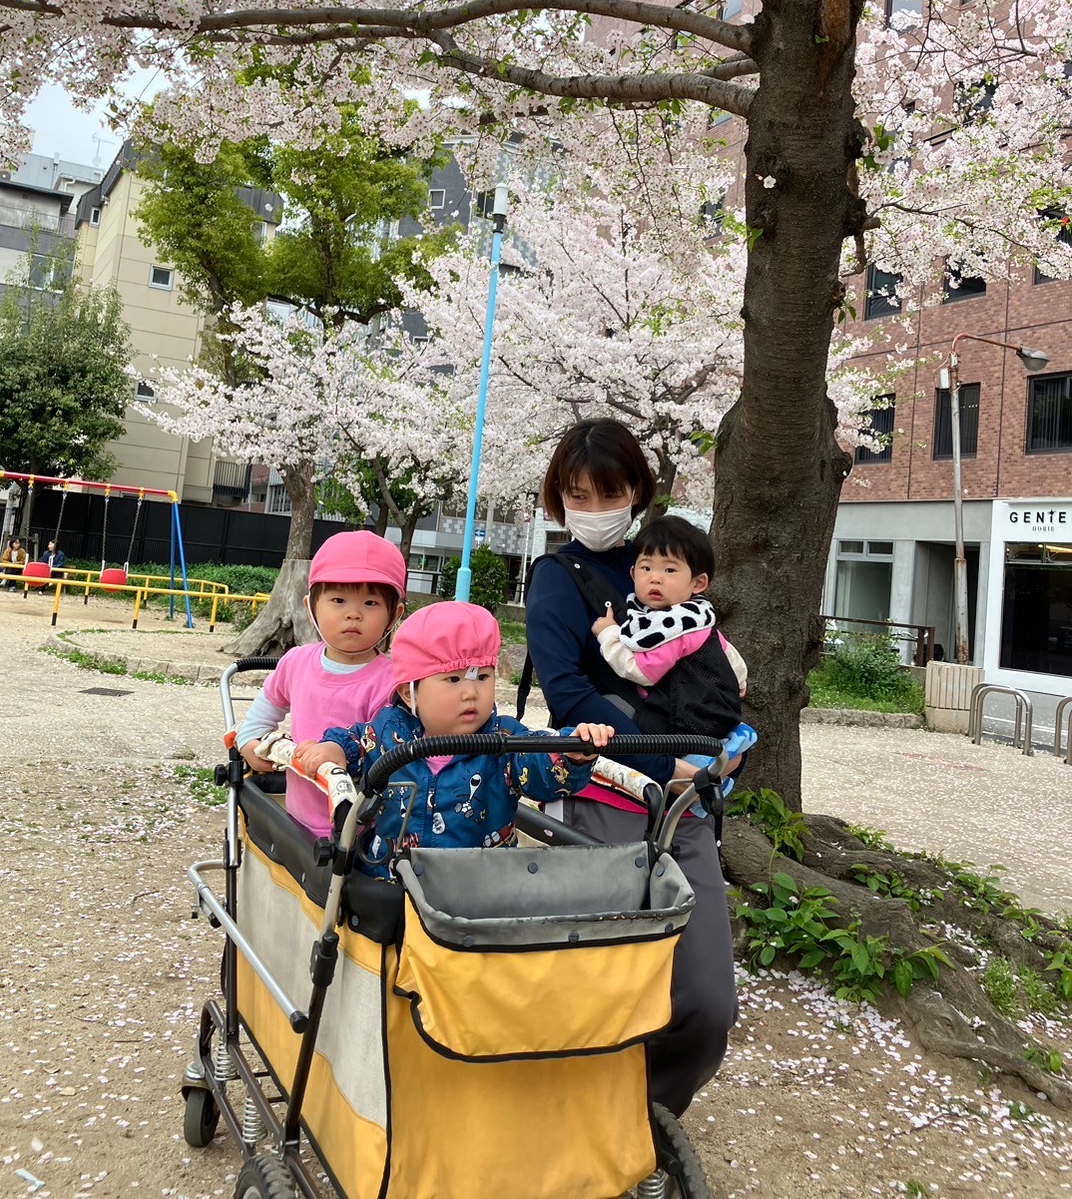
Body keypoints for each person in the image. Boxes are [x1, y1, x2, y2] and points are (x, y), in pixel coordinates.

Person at [524, 418, 745, 1119]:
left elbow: (709, 669)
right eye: (578, 495)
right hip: (602, 796)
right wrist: (663, 757)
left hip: (684, 804)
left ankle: (646, 1116)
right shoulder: (556, 580)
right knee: (600, 985)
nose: (595, 508)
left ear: (638, 493)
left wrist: (722, 743)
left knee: (706, 1000)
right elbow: (569, 695)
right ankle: (587, 1124)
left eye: (611, 493)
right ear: (560, 499)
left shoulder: (666, 559)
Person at [297, 600, 613, 879]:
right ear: (409, 692)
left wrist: (571, 752)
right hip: (389, 883)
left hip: (478, 892)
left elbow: (539, 765)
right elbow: (355, 740)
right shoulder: (388, 731)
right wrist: (335, 748)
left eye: (483, 676)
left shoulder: (504, 740)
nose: (470, 692)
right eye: (452, 678)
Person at [234, 531, 408, 838]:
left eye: (370, 603)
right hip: (296, 820)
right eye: (338, 600)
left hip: (359, 830)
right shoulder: (295, 662)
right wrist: (249, 744)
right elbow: (261, 716)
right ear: (311, 606)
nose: (353, 614)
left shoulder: (391, 682)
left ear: (393, 615)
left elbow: (389, 756)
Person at [592, 513, 753, 771]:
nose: (655, 578)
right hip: (703, 717)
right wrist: (739, 683)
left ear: (698, 583)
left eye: (669, 570)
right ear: (633, 573)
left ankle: (689, 770)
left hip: (677, 724)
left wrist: (608, 633)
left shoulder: (676, 630)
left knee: (606, 706)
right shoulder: (695, 619)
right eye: (646, 568)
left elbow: (641, 671)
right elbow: (730, 655)